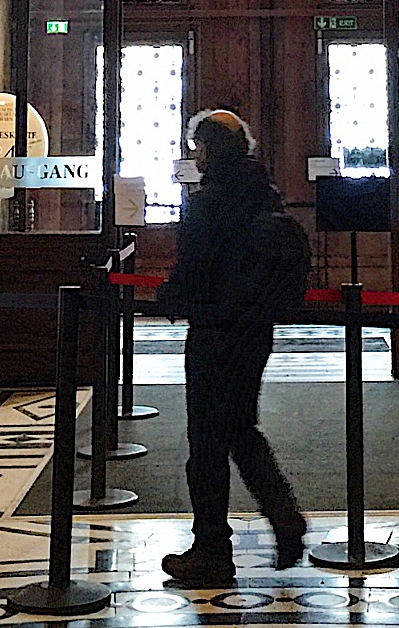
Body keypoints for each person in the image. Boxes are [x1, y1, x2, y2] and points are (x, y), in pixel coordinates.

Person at [155, 108, 307, 586]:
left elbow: (191, 275)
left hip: (213, 333)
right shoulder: (263, 192)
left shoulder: (207, 203)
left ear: (208, 150)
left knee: (206, 444)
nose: (195, 157)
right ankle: (283, 515)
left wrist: (168, 296)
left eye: (198, 148)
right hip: (254, 332)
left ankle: (212, 550)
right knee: (241, 428)